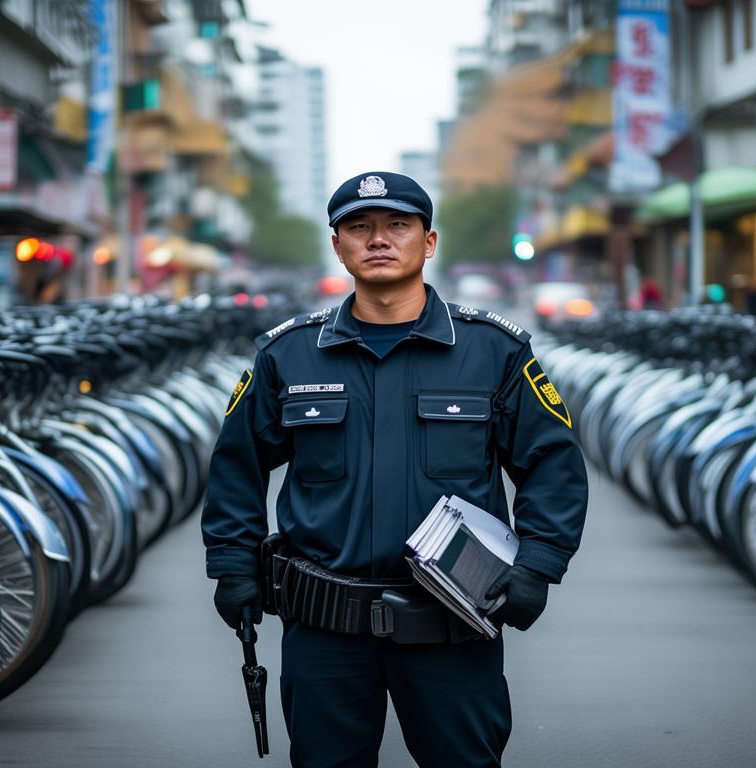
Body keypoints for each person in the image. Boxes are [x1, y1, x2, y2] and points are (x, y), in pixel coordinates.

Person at [202, 171, 588, 768]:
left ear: (428, 243)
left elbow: (552, 463)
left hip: (453, 626)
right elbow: (236, 465)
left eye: (398, 226)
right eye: (359, 228)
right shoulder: (289, 354)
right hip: (324, 629)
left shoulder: (493, 351)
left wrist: (539, 564)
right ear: (338, 246)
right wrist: (232, 564)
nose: (378, 240)